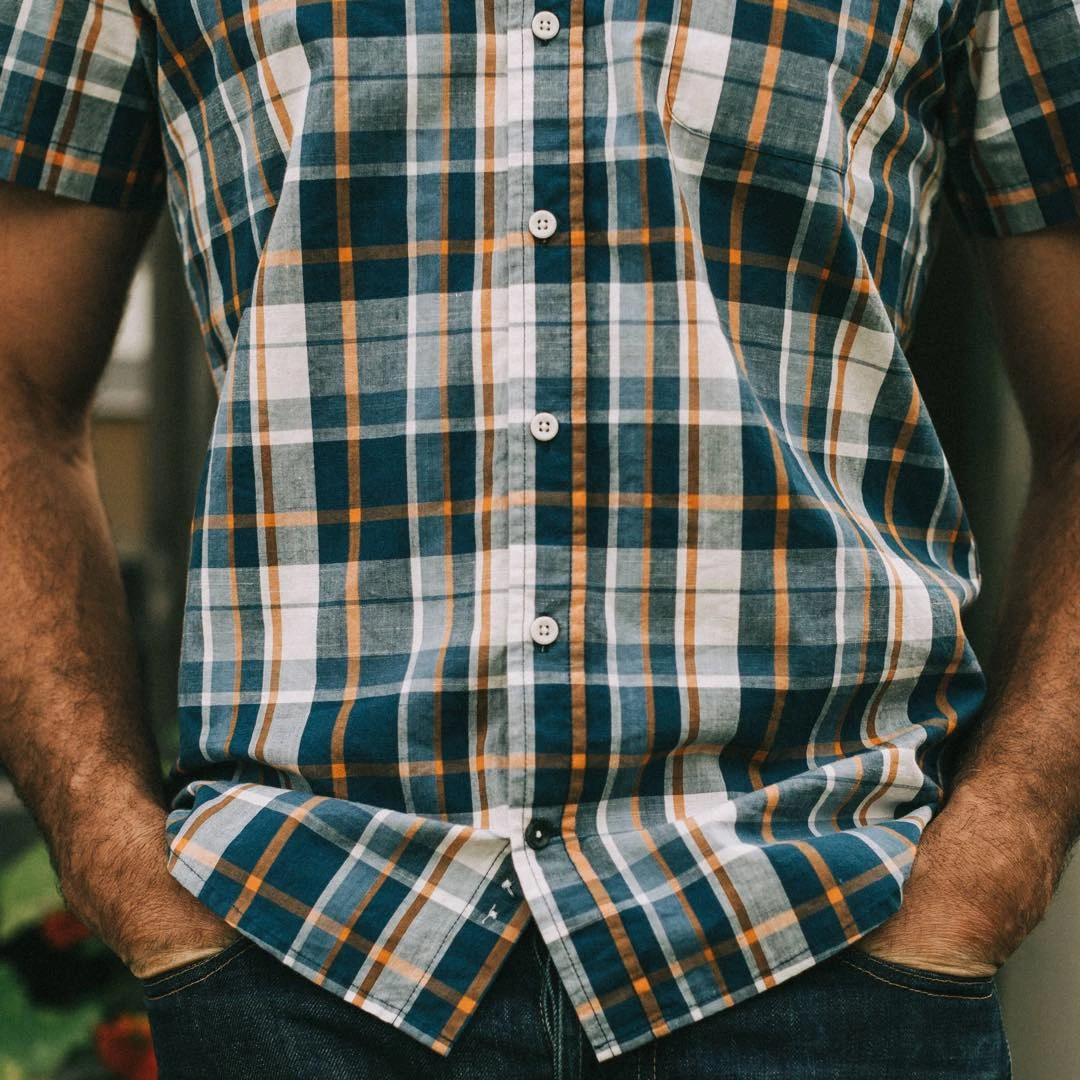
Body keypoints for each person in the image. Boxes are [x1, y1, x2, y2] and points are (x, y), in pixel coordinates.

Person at [0, 0, 1076, 1076]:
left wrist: (998, 853)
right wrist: (120, 862)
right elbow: (16, 388)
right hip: (301, 949)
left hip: (825, 936)